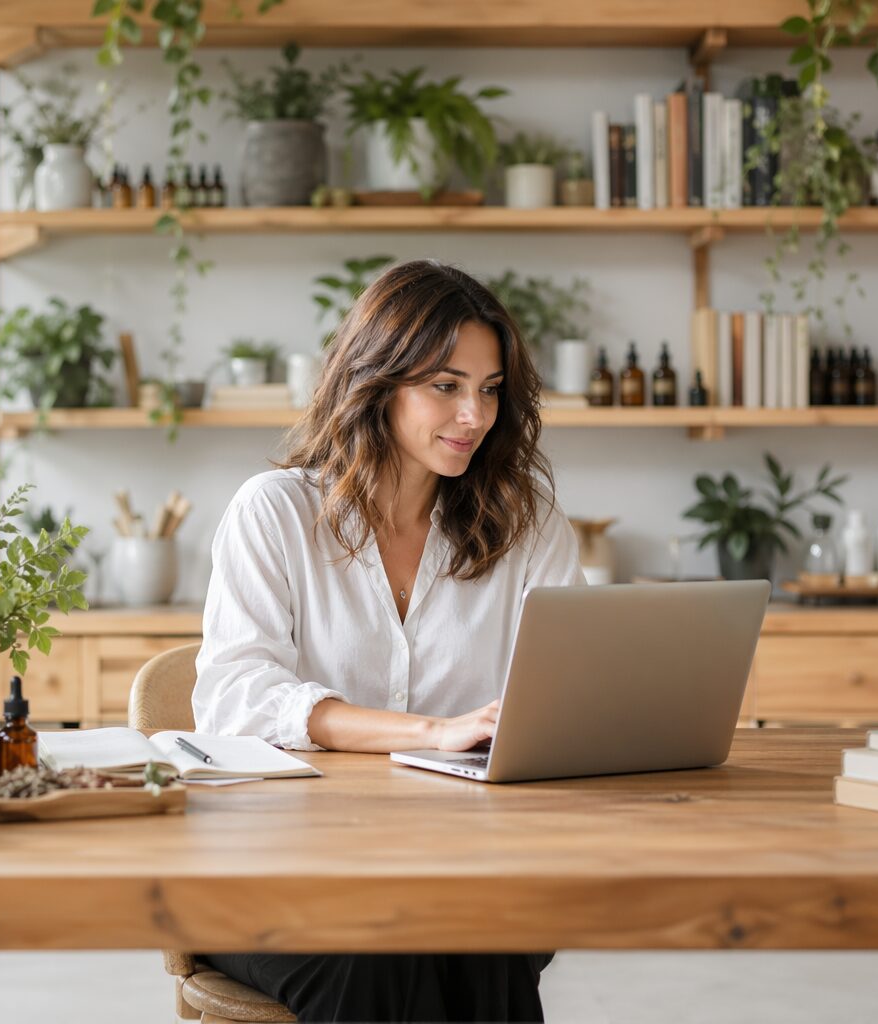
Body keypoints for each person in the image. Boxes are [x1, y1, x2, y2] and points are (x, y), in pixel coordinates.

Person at [193, 259, 585, 1023]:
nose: (474, 414)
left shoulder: (528, 528)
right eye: (445, 385)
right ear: (377, 382)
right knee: (377, 949)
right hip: (279, 875)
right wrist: (433, 734)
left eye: (490, 388)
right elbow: (234, 699)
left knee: (476, 932)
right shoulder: (274, 514)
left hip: (466, 871)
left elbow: (565, 698)